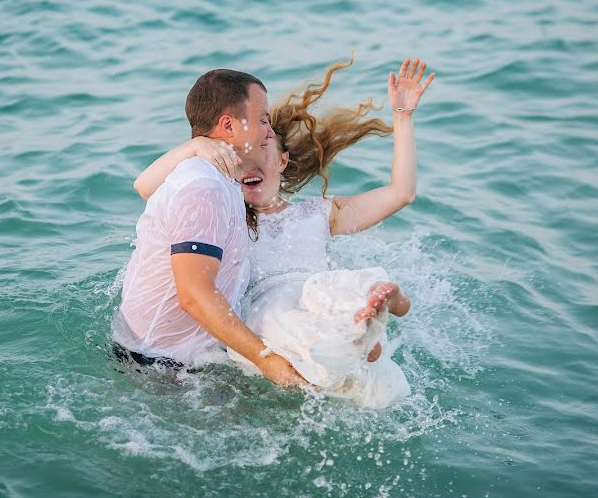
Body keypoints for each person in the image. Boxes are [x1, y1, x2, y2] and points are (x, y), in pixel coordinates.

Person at [134, 58, 434, 407]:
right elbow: (146, 187)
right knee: (286, 323)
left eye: (266, 148)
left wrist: (402, 116)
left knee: (333, 288)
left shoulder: (317, 214)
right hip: (273, 313)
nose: (255, 157)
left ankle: (371, 313)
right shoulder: (229, 220)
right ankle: (360, 334)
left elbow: (401, 193)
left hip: (316, 294)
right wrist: (197, 146)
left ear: (283, 162)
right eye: (251, 147)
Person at [112, 69, 308, 387]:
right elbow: (193, 294)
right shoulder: (204, 187)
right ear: (228, 125)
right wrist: (268, 360)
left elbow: (146, 188)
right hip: (158, 368)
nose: (270, 132)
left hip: (181, 359)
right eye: (262, 120)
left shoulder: (220, 177)